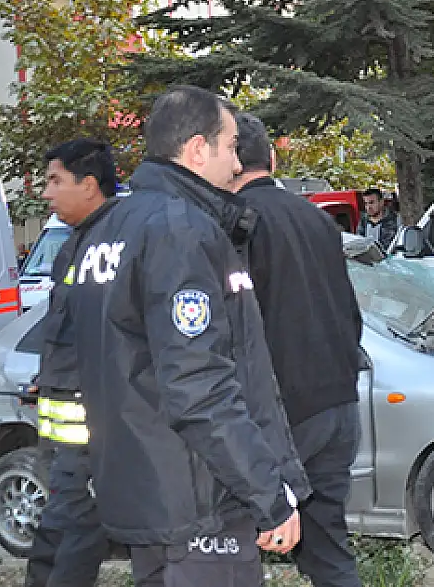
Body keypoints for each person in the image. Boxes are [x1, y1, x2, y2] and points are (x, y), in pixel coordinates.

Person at [64, 85, 311, 587]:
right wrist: (268, 492)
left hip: (150, 492)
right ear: (198, 150)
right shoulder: (181, 230)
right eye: (232, 146)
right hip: (197, 501)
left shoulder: (108, 229)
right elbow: (199, 387)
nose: (239, 164)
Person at [230, 113, 364, 587]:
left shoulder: (234, 227)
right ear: (273, 157)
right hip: (337, 401)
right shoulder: (318, 219)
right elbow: (351, 315)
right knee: (327, 547)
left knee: (230, 547)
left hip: (280, 412)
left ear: (228, 160)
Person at [24, 139, 118, 587]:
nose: (45, 193)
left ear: (90, 184)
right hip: (67, 429)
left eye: (54, 181)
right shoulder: (73, 244)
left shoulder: (115, 243)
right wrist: (49, 379)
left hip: (93, 430)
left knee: (73, 534)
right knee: (60, 531)